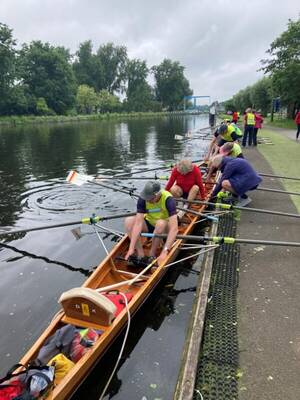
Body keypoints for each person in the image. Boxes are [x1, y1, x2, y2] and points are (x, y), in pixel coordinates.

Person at [124, 181, 178, 266]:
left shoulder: (168, 200)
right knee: (129, 221)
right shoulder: (143, 198)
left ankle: (152, 255)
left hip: (165, 227)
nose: (148, 201)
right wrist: (131, 248)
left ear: (156, 195)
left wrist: (165, 251)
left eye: (150, 199)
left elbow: (174, 229)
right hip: (150, 223)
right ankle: (140, 255)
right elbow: (138, 223)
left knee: (160, 224)